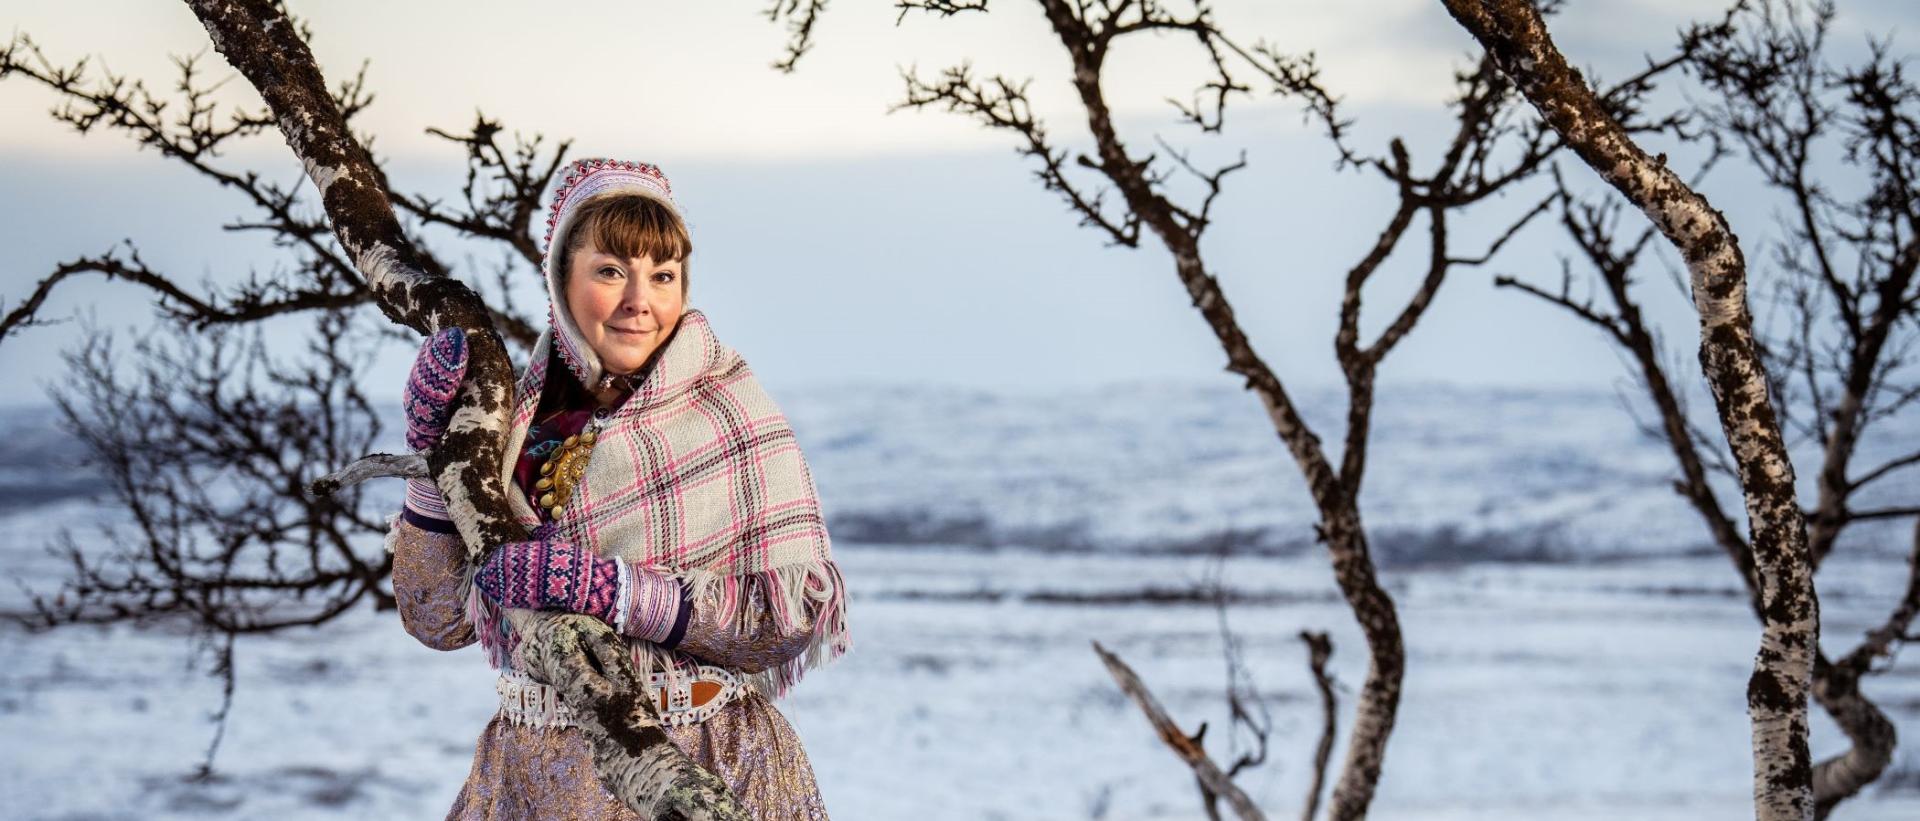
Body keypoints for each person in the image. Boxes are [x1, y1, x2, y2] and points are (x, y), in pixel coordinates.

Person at [385, 158, 850, 820]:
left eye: (662, 276)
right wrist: (437, 460)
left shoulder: (730, 411)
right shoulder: (520, 425)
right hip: (533, 783)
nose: (641, 301)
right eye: (610, 271)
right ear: (560, 280)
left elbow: (785, 620)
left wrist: (612, 590)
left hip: (703, 766)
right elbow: (435, 616)